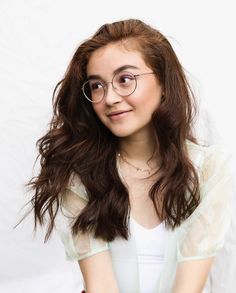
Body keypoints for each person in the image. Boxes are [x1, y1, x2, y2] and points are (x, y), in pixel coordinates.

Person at [26, 19, 233, 292]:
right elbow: (100, 286)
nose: (109, 97)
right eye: (97, 86)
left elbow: (189, 287)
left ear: (164, 84)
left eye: (125, 80)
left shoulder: (208, 169)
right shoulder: (81, 174)